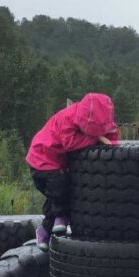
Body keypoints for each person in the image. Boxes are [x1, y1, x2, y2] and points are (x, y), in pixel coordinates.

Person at [26, 92, 118, 250]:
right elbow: (69, 143)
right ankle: (62, 217)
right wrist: (95, 139)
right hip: (41, 159)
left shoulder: (99, 122)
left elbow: (111, 136)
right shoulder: (67, 118)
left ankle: (44, 232)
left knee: (59, 196)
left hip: (58, 164)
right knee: (59, 186)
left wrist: (112, 147)